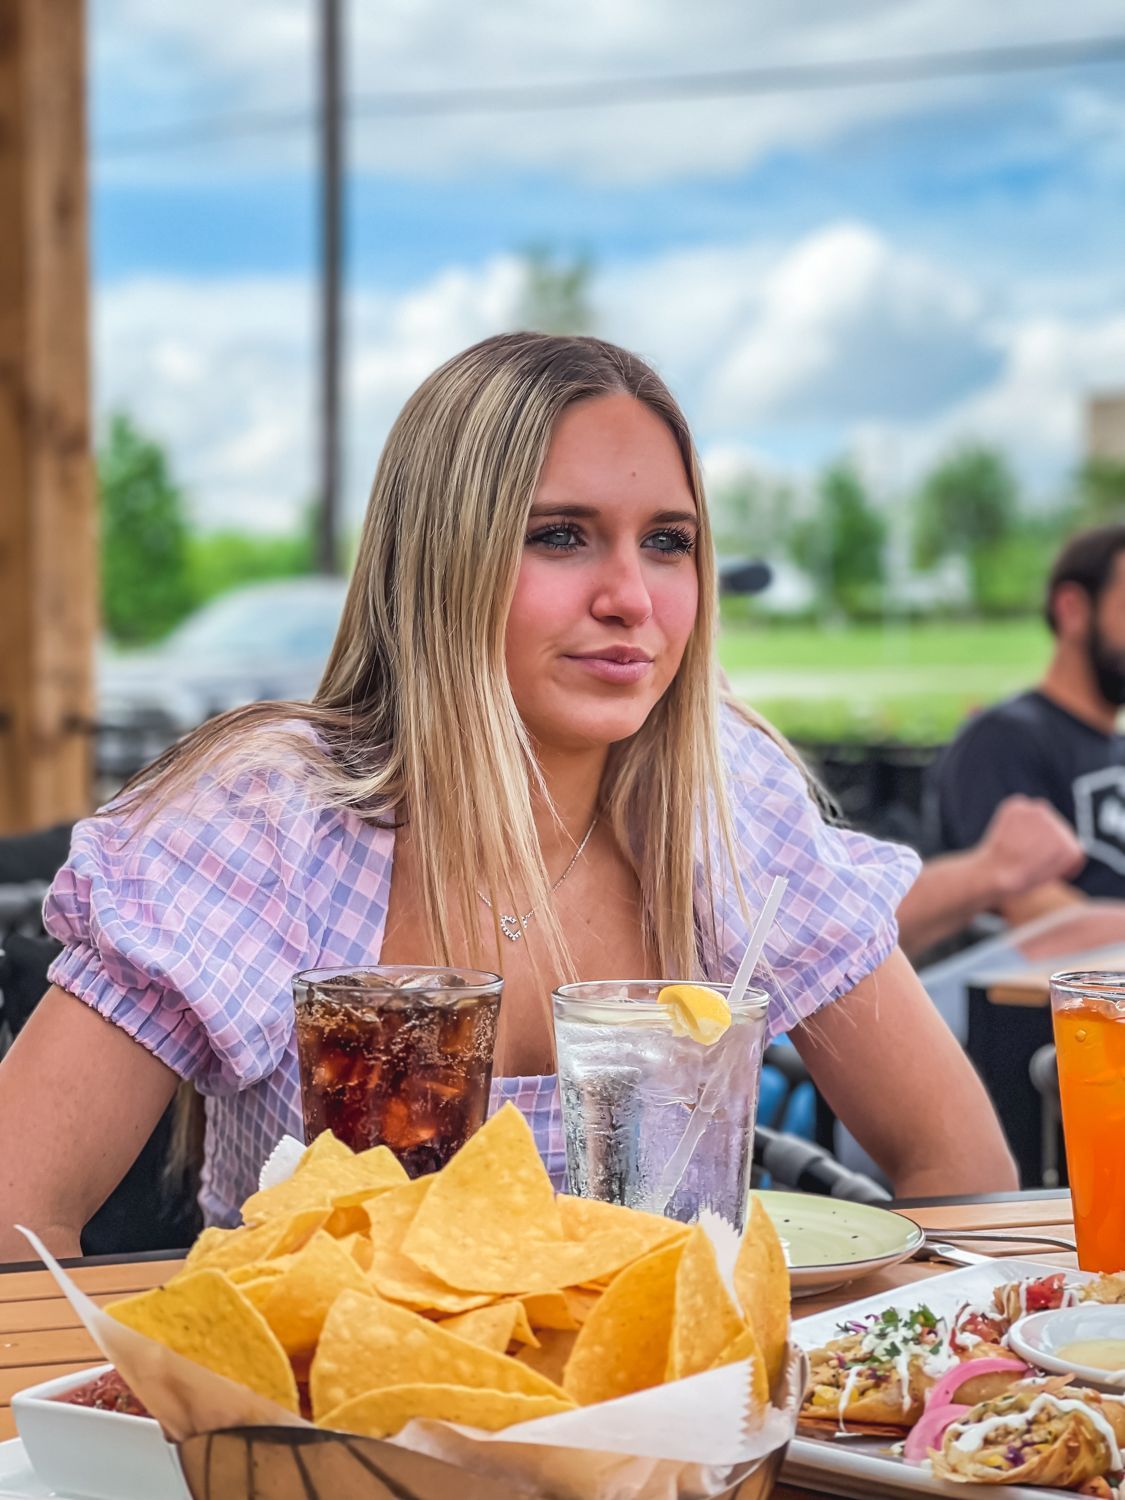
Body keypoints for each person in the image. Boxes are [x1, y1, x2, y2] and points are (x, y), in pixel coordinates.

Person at [0, 334, 1015, 1258]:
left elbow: (961, 1174)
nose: (631, 596)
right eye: (561, 535)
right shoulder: (269, 817)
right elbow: (18, 1216)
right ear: (442, 557)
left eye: (668, 541)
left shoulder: (725, 800)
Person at [930, 523, 1125, 923]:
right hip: (1057, 984)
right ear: (1072, 609)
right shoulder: (1004, 740)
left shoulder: (1115, 747)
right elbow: (1031, 912)